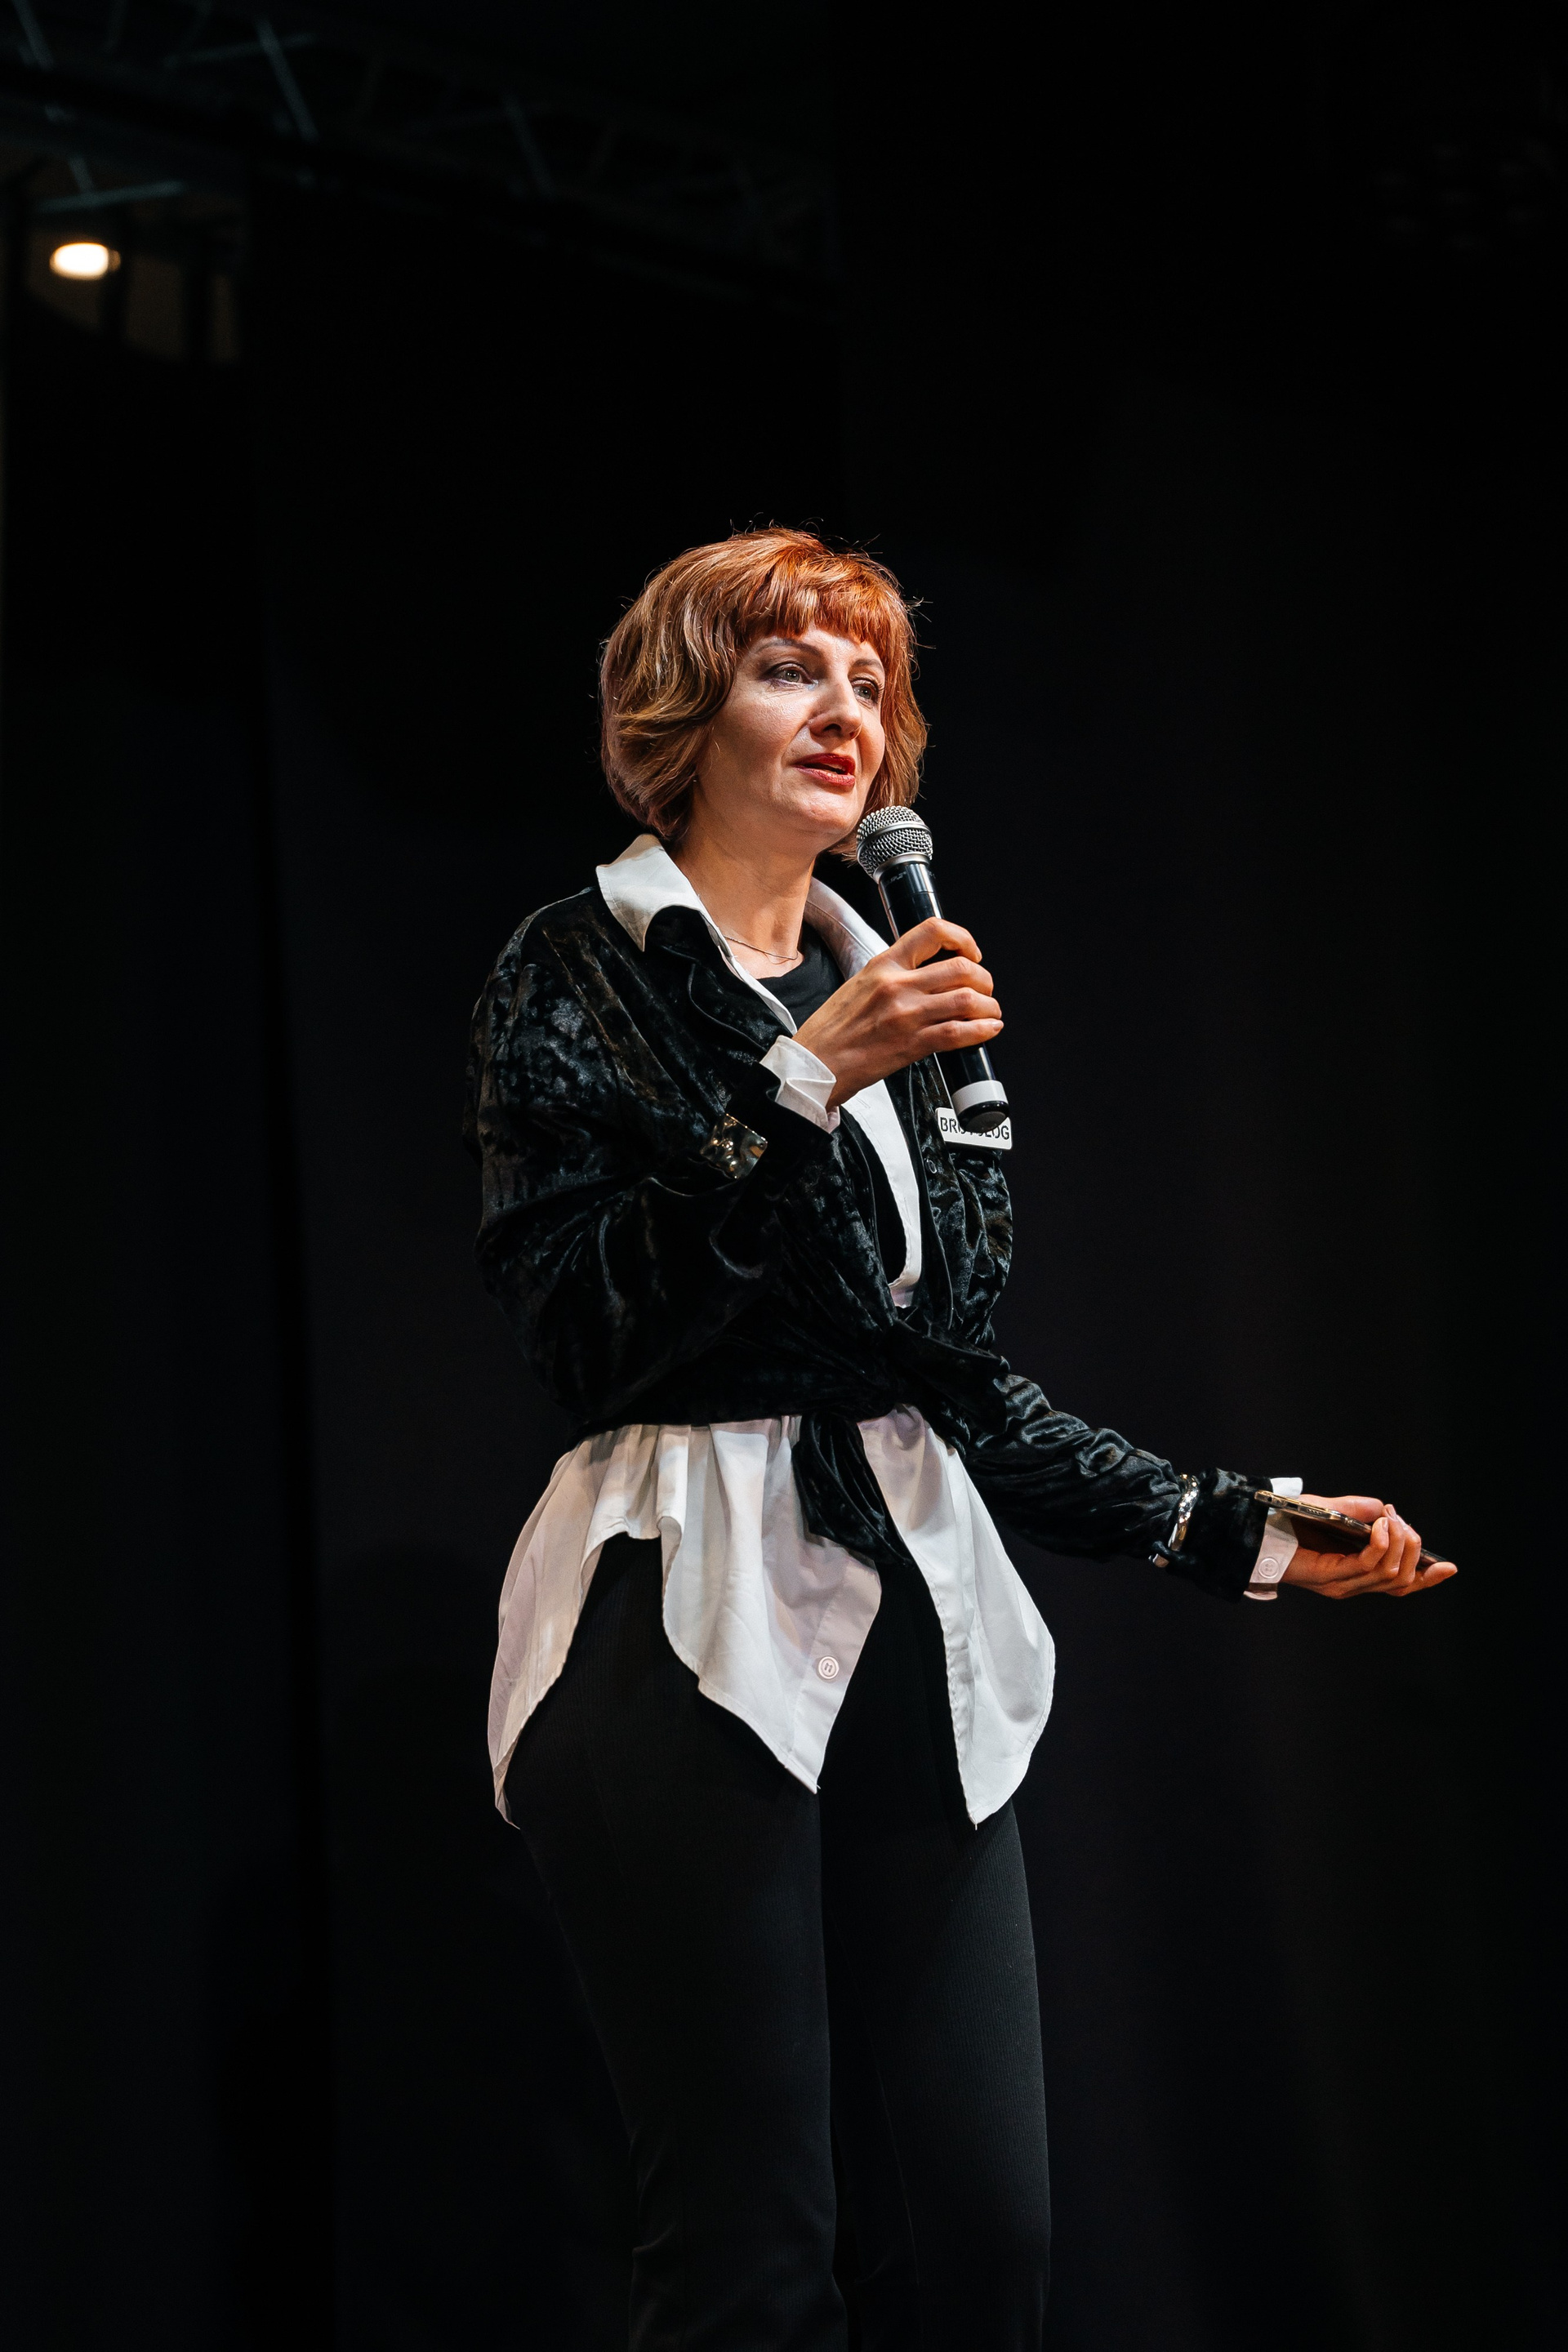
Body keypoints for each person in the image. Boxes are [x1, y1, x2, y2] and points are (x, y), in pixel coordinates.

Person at [463, 528, 1454, 2351]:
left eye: (870, 680)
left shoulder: (913, 996)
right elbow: (589, 1329)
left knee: (985, 2239)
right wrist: (798, 1085)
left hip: (914, 1603)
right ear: (683, 710)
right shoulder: (577, 967)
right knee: (753, 2246)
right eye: (789, 670)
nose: (844, 709)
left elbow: (947, 1378)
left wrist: (1233, 1522)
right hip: (678, 1600)